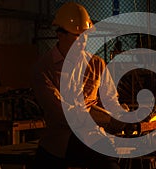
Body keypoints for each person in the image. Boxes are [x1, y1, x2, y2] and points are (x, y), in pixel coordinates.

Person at [30, 2, 127, 169]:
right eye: (77, 36)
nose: (83, 41)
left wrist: (121, 114)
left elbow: (110, 101)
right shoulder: (43, 69)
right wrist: (106, 119)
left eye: (85, 35)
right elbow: (63, 114)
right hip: (59, 143)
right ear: (60, 35)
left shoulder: (97, 64)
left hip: (93, 138)